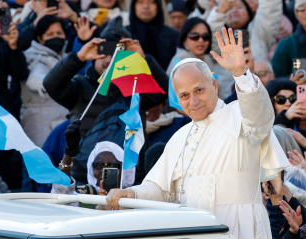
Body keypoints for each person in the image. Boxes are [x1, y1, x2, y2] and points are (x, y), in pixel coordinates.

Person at [106, 27, 290, 239]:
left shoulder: (240, 114)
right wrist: (133, 193)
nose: (193, 101)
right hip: (192, 229)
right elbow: (160, 188)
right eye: (184, 95)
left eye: (199, 90)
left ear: (214, 85)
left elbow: (261, 117)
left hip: (239, 227)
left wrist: (240, 73)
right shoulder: (179, 137)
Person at [43, 23, 168, 184]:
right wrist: (78, 57)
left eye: (116, 55)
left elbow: (165, 91)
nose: (109, 60)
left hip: (130, 176)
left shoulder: (136, 89)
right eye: (103, 54)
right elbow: (50, 85)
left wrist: (144, 60)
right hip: (84, 174)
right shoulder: (79, 88)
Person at [21, 15, 69, 148]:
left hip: (59, 125)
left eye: (59, 33)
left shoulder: (63, 57)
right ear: (40, 39)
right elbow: (35, 79)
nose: (56, 37)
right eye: (50, 34)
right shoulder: (34, 57)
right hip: (41, 127)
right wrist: (48, 82)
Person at [126, 0, 179, 70]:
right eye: (140, 2)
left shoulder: (173, 36)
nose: (146, 6)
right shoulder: (123, 34)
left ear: (158, 7)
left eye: (152, 2)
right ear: (134, 6)